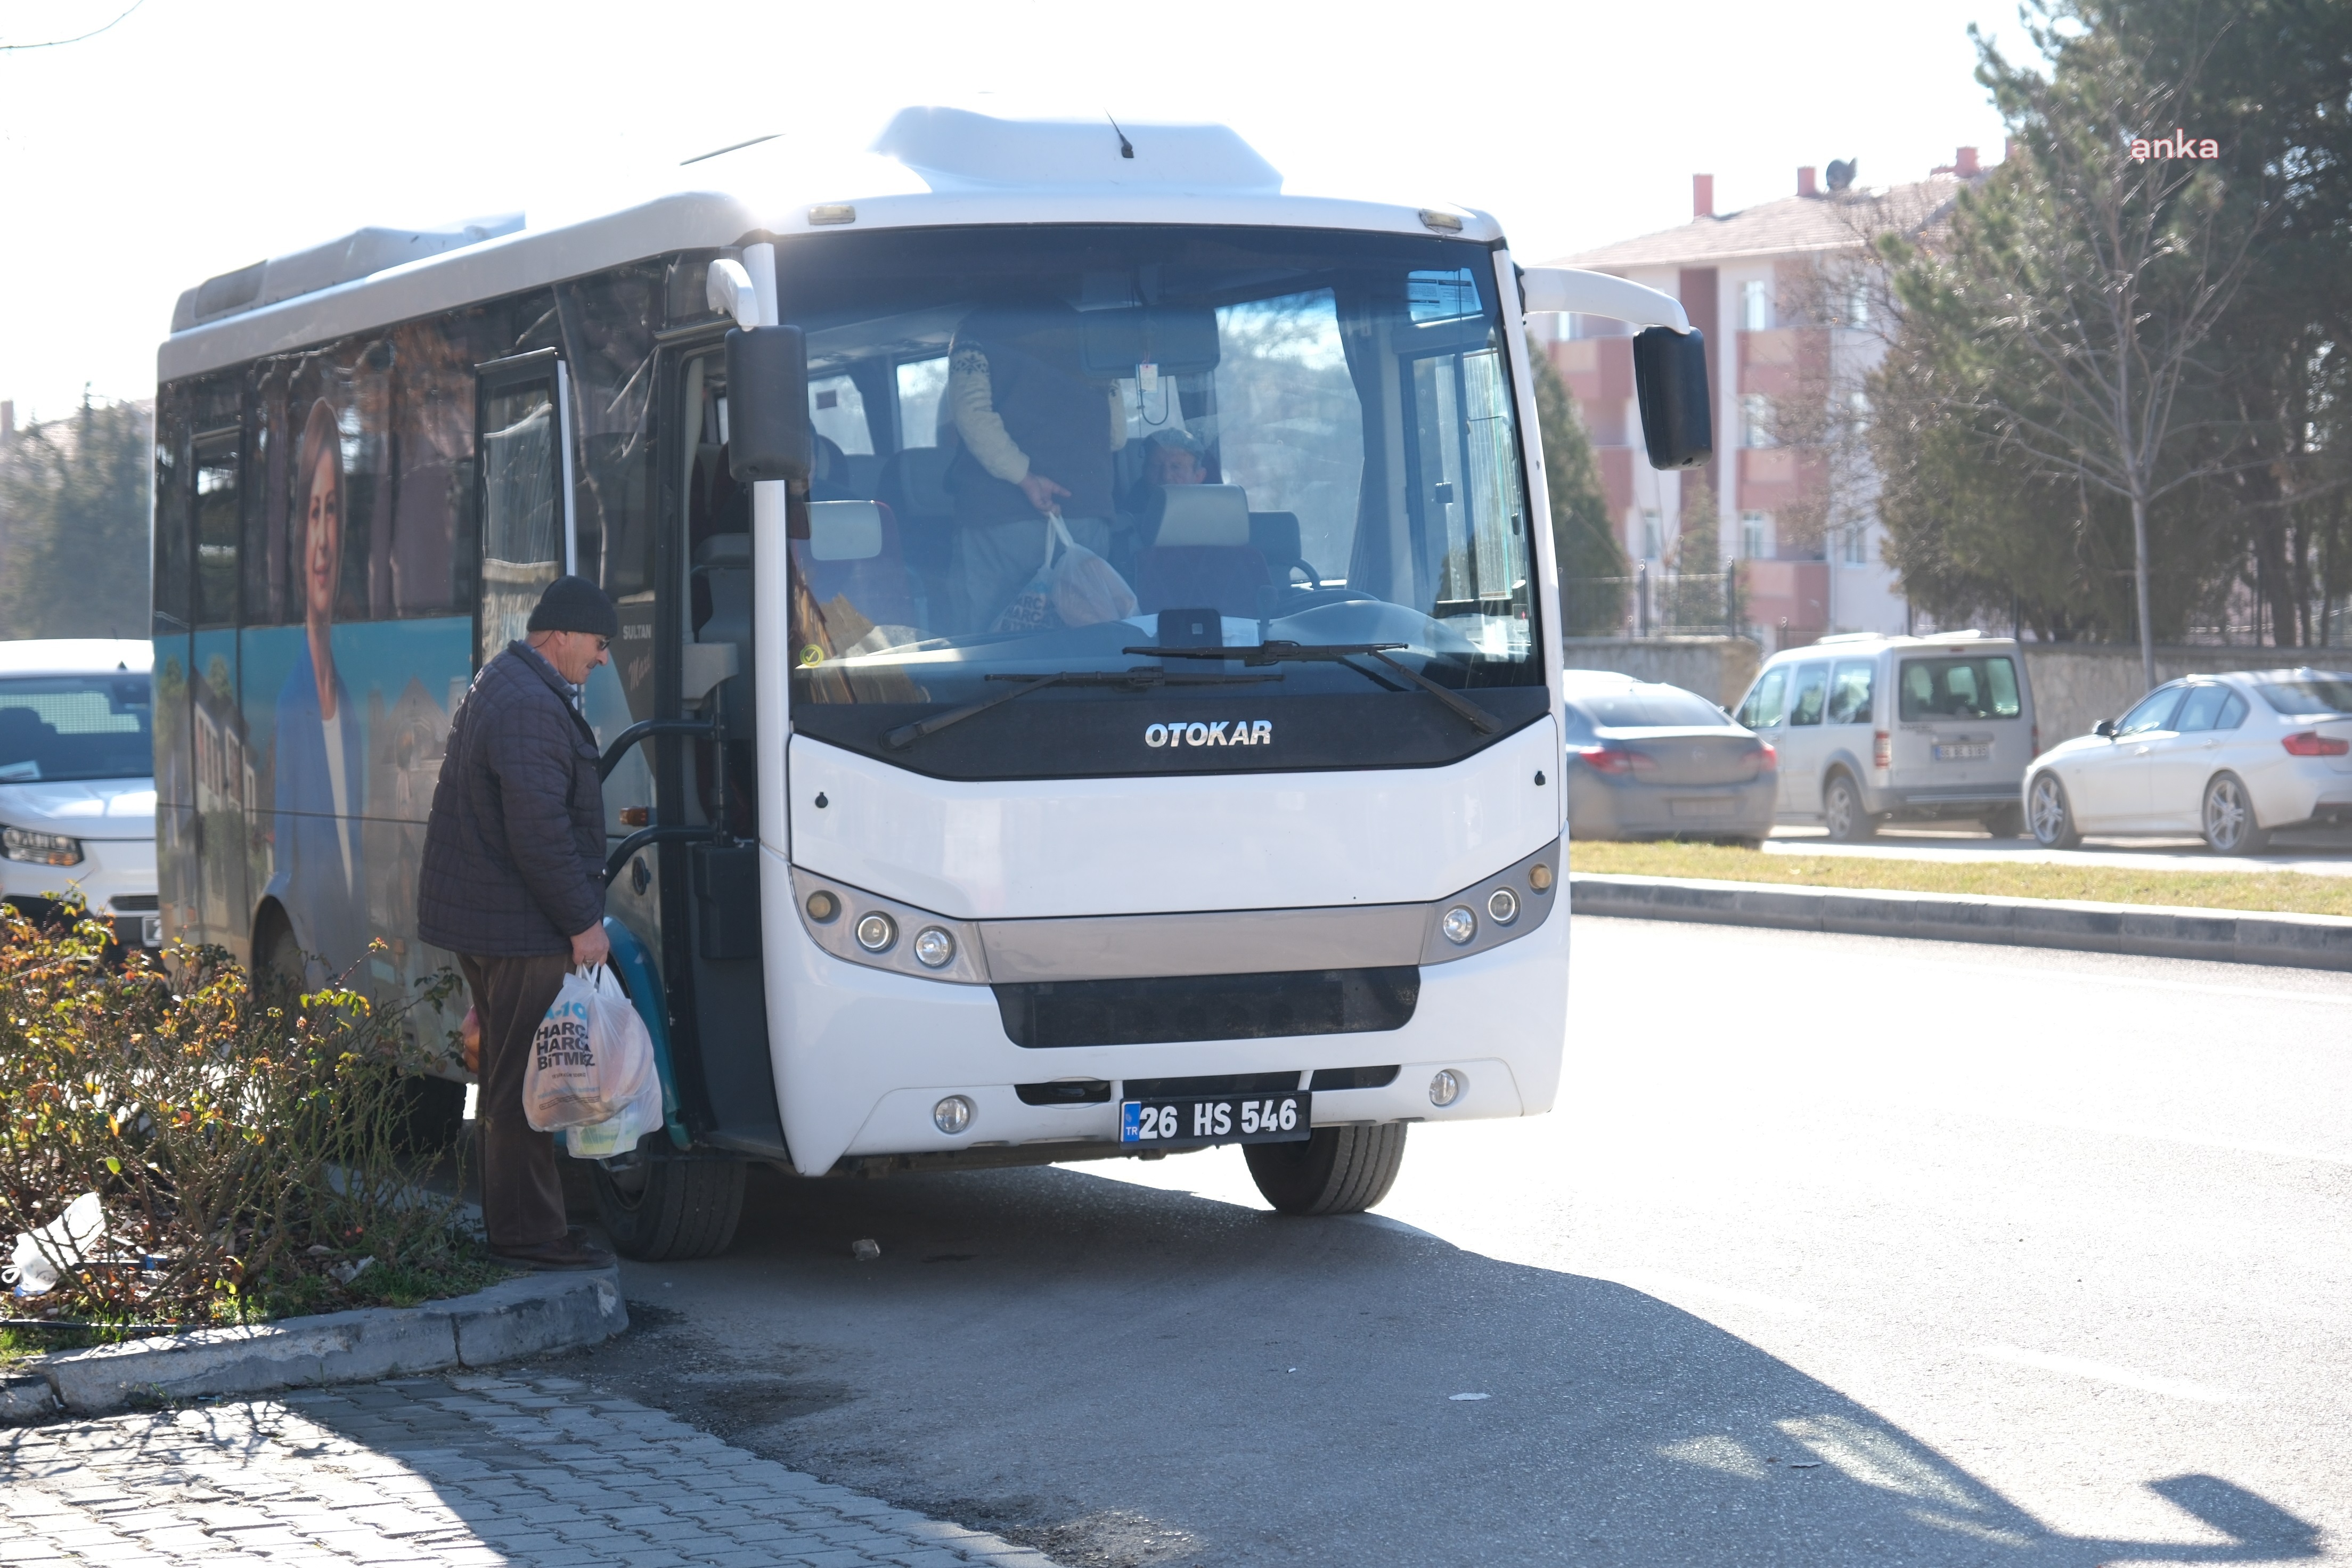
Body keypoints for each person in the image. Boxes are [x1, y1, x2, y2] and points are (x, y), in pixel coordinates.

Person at [418, 575, 619, 1271]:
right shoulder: (531, 704)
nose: (603, 658)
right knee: (524, 1088)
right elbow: (539, 833)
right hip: (521, 928)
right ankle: (530, 1237)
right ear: (559, 635)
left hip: (497, 921)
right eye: (598, 643)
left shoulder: (506, 683)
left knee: (511, 1081)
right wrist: (583, 923)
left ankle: (523, 1230)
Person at [943, 303, 1128, 630]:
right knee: (1083, 634)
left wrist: (1025, 477)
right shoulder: (1093, 337)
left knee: (988, 639)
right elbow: (1115, 435)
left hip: (998, 521)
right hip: (1087, 516)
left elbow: (972, 417)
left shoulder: (977, 331)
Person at [270, 398, 366, 971]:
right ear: (298, 538)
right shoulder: (290, 703)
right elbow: (292, 872)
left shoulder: (351, 703)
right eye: (313, 513)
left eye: (333, 512)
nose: (324, 537)